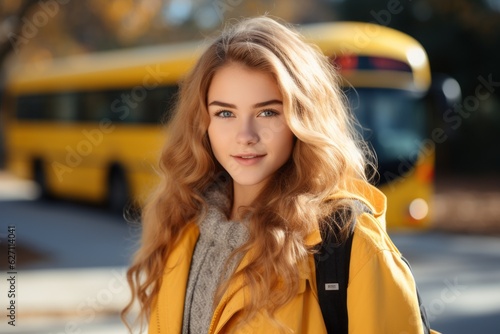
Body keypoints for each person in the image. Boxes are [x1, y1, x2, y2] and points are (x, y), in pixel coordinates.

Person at [123, 16, 429, 333]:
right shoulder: (182, 227)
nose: (246, 135)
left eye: (268, 112)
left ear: (303, 118)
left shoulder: (349, 245)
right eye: (225, 113)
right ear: (204, 123)